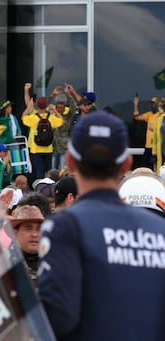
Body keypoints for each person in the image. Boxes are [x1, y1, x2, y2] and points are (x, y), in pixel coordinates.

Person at [38, 111, 165, 339]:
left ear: (70, 162)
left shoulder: (64, 227)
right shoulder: (160, 231)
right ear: (126, 163)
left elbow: (55, 318)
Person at [21, 86, 63, 181]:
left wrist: (29, 107)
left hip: (36, 148)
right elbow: (61, 121)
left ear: (36, 105)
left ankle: (39, 189)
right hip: (48, 148)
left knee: (38, 171)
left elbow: (23, 117)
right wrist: (55, 110)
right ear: (46, 106)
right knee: (49, 171)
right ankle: (50, 188)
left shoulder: (34, 118)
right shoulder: (51, 117)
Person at [7, 204, 45, 285]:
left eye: (39, 229)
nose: (34, 234)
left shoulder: (53, 263)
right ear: (15, 233)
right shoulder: (4, 263)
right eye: (28, 228)